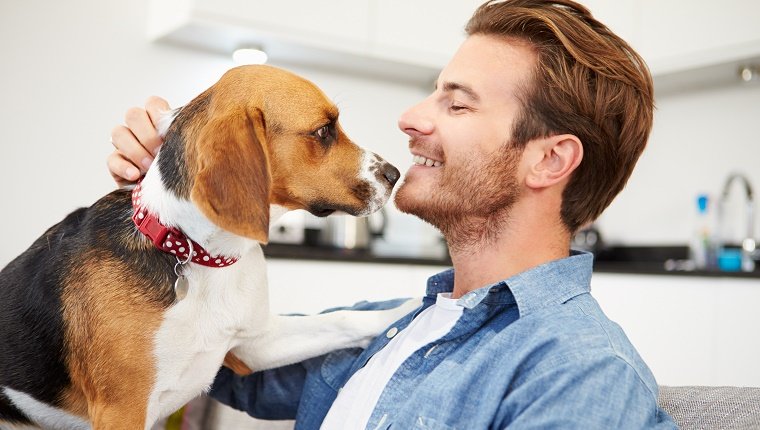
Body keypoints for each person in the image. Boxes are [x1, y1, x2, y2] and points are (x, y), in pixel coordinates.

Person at [109, 0, 677, 428]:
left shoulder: (579, 372)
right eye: (432, 93)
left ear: (550, 159)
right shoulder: (394, 322)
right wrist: (177, 203)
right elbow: (225, 368)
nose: (408, 117)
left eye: (457, 102)